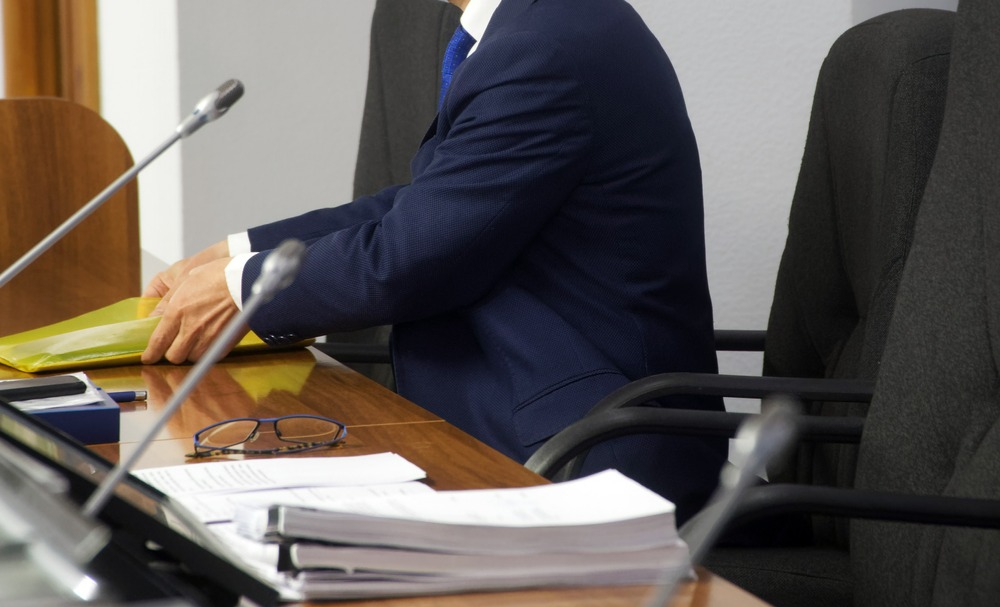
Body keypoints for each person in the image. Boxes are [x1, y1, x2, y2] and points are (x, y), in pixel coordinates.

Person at [142, 0, 727, 522]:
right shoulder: (536, 25)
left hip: (590, 454)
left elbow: (407, 258)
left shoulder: (544, 45)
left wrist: (247, 289)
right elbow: (435, 202)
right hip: (516, 423)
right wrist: (242, 251)